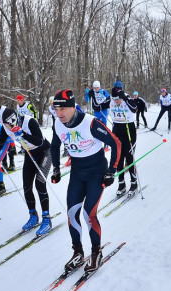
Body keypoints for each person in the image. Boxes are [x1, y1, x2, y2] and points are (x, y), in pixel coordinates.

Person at [50, 89, 121, 273]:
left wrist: (111, 171)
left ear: (73, 106)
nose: (59, 114)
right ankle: (78, 252)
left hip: (96, 172)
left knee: (89, 214)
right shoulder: (58, 124)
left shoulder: (90, 123)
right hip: (77, 173)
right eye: (56, 110)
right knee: (72, 213)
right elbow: (55, 146)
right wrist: (56, 168)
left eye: (63, 109)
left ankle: (96, 251)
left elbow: (116, 143)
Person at [2, 110, 53, 235]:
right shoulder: (6, 126)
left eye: (8, 124)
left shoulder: (29, 121)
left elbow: (39, 141)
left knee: (40, 184)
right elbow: (0, 140)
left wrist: (23, 134)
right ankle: (33, 216)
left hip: (44, 152)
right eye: (5, 125)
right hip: (30, 154)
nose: (7, 127)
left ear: (13, 120)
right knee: (26, 186)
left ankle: (46, 219)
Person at [110, 83, 139, 197]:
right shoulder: (111, 100)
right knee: (119, 159)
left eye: (118, 99)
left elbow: (134, 109)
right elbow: (99, 106)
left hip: (129, 130)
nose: (116, 101)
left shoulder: (127, 98)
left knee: (130, 157)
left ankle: (134, 182)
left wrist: (125, 98)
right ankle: (121, 184)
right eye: (114, 99)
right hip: (117, 130)